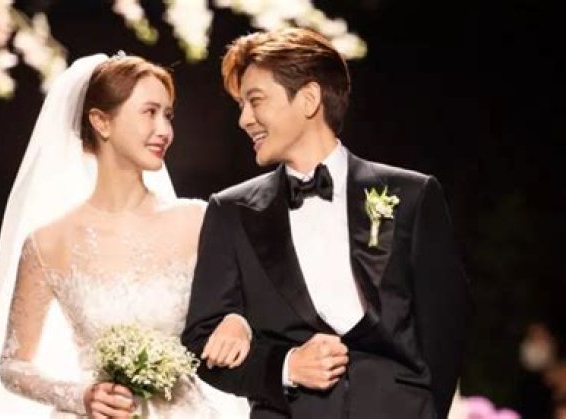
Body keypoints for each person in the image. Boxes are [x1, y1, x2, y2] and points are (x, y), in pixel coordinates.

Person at [182, 28, 470, 419]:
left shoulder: (412, 195)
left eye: (255, 101)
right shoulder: (231, 211)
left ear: (309, 99)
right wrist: (286, 367)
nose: (244, 119)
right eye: (241, 105)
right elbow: (201, 343)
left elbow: (445, 326)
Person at [0, 53, 250, 418]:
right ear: (101, 122)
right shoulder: (48, 243)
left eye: (168, 115)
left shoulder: (197, 221)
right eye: (149, 112)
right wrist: (80, 396)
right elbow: (12, 365)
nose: (164, 130)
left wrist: (238, 323)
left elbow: (245, 307)